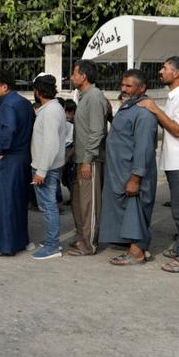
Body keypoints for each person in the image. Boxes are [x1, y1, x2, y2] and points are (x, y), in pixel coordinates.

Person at [138, 56, 179, 271]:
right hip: (176, 161)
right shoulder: (176, 97)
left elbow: (177, 129)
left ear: (177, 74)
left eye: (165, 68)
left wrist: (155, 110)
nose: (160, 72)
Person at [98, 70, 158, 266]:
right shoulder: (129, 107)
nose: (123, 89)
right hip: (120, 171)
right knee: (127, 210)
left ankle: (137, 252)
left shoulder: (144, 113)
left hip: (132, 173)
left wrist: (136, 177)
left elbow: (144, 148)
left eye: (129, 86)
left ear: (142, 89)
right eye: (122, 85)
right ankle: (134, 246)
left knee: (136, 209)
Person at [0, 72, 34, 257]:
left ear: (5, 87)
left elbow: (8, 128)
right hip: (22, 157)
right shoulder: (24, 103)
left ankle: (3, 246)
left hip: (8, 159)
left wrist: (0, 149)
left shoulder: (8, 104)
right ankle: (19, 241)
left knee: (4, 202)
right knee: (18, 202)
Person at [67, 61, 108, 257]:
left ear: (83, 76)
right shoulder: (84, 97)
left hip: (89, 160)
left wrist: (87, 159)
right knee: (79, 202)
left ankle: (89, 243)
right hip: (80, 159)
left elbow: (97, 131)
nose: (71, 77)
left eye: (74, 73)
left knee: (89, 203)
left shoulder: (94, 96)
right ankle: (82, 238)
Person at [29, 74, 69, 261]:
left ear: (37, 91)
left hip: (46, 167)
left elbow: (51, 143)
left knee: (48, 206)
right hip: (46, 165)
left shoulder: (52, 110)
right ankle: (51, 240)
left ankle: (53, 245)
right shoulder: (50, 108)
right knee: (48, 205)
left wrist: (42, 170)